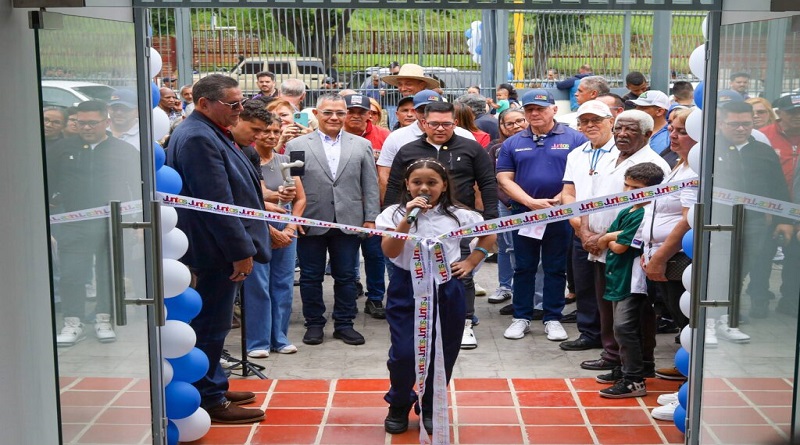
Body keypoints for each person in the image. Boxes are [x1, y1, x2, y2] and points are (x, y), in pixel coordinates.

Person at [166, 74, 270, 424]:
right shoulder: (197, 136)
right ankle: (210, 398)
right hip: (215, 251)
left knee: (217, 323)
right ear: (203, 104)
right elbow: (216, 202)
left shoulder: (208, 130)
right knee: (213, 324)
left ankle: (214, 383)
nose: (240, 110)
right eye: (234, 104)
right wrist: (240, 251)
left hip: (217, 246)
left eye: (241, 102)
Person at [378, 158, 495, 434]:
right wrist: (408, 218)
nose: (424, 188)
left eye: (432, 182)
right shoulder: (394, 214)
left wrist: (470, 262)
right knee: (404, 352)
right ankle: (398, 402)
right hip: (406, 286)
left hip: (446, 286)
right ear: (407, 184)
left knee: (443, 349)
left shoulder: (461, 215)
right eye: (417, 182)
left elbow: (489, 238)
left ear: (444, 185)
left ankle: (431, 403)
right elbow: (390, 251)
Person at [561, 109, 670, 373]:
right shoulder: (605, 157)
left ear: (647, 134)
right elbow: (590, 197)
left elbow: (648, 213)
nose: (622, 134)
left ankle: (636, 363)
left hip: (626, 250)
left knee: (634, 310)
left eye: (630, 130)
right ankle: (612, 355)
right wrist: (585, 230)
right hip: (596, 244)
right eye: (619, 128)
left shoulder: (653, 166)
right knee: (606, 303)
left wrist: (603, 237)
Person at [384, 100, 498, 349]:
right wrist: (391, 216)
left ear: (455, 123)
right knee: (405, 272)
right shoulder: (408, 150)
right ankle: (410, 321)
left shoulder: (470, 148)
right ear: (423, 123)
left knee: (460, 272)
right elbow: (394, 186)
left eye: (446, 124)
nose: (439, 129)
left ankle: (465, 322)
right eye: (433, 123)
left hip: (459, 223)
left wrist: (490, 218)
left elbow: (488, 183)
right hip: (414, 223)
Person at [285, 93, 381, 346]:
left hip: (349, 220)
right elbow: (293, 185)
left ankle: (344, 323)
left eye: (340, 112)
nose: (334, 117)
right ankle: (314, 324)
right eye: (328, 112)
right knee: (310, 275)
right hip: (310, 220)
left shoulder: (361, 145)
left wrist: (370, 218)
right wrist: (295, 218)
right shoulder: (297, 145)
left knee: (347, 276)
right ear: (316, 114)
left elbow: (370, 185)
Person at [497, 89, 587, 343]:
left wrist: (561, 199)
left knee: (555, 267)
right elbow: (504, 177)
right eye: (529, 110)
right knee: (523, 267)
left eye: (540, 108)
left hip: (560, 214)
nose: (535, 113)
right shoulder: (512, 143)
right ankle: (521, 316)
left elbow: (582, 175)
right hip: (525, 215)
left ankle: (553, 318)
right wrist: (529, 201)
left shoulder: (575, 139)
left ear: (554, 110)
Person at [49, 100, 140, 347]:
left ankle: (104, 317)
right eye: (80, 123)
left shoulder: (123, 150)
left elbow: (135, 189)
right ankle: (72, 320)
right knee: (71, 274)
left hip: (111, 223)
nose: (86, 127)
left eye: (92, 123)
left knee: (108, 272)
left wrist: (134, 224)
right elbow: (49, 186)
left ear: (106, 122)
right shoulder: (61, 149)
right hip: (72, 223)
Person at [236, 107, 305, 358]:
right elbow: (254, 196)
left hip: (287, 225)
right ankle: (257, 342)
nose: (271, 135)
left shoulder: (288, 160)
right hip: (257, 224)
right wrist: (275, 198)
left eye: (276, 131)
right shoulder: (245, 159)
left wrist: (291, 225)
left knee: (283, 283)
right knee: (258, 283)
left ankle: (280, 337)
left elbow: (300, 198)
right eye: (266, 130)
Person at [714, 100, 793, 319]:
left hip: (756, 221)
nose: (741, 129)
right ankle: (718, 310)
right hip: (718, 219)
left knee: (744, 265)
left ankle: (732, 310)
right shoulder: (710, 149)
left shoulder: (764, 151)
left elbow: (778, 187)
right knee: (721, 266)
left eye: (746, 124)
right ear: (721, 123)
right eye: (734, 124)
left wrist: (785, 220)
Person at [596, 162, 665, 399]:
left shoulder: (647, 213)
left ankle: (634, 379)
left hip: (634, 280)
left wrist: (608, 238)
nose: (628, 190)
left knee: (625, 327)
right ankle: (633, 367)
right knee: (623, 326)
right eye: (626, 184)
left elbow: (620, 246)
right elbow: (612, 237)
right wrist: (610, 238)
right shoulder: (627, 211)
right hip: (617, 276)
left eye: (635, 187)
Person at [377, 90, 477, 202]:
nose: (427, 113)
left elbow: (479, 180)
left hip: (460, 207)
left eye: (432, 108)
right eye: (422, 109)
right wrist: (390, 210)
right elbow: (386, 177)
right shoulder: (396, 137)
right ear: (415, 111)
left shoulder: (465, 136)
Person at [342, 93, 390, 319]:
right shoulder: (335, 135)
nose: (355, 116)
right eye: (350, 111)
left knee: (375, 255)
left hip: (375, 207)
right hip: (344, 207)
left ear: (370, 114)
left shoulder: (383, 136)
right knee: (346, 254)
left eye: (360, 112)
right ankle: (350, 290)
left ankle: (375, 297)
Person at [486, 109, 529, 307]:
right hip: (505, 203)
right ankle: (505, 287)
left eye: (520, 121)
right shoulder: (495, 148)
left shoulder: (537, 143)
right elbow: (491, 178)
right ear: (502, 127)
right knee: (506, 246)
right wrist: (505, 200)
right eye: (509, 123)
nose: (516, 126)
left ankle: (529, 291)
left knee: (526, 247)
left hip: (534, 203)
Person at [628, 90, 674, 166]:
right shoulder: (632, 130)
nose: (637, 110)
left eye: (642, 108)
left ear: (659, 111)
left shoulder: (671, 134)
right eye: (636, 106)